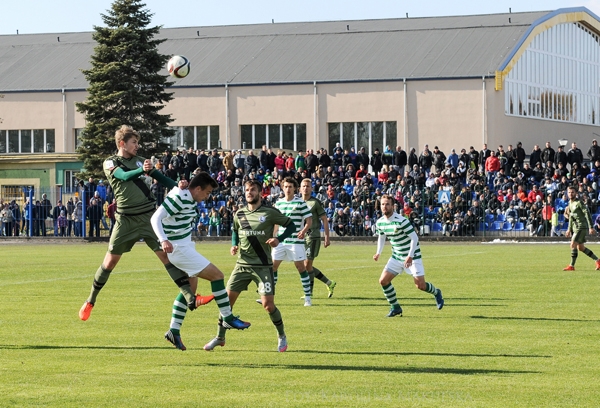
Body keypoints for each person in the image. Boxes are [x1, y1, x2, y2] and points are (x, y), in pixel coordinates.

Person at [79, 125, 204, 321]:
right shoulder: (110, 162)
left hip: (148, 217)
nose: (137, 146)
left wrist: (179, 187)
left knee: (166, 256)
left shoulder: (140, 161)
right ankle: (90, 301)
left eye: (137, 142)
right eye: (134, 142)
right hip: (125, 220)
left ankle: (191, 297)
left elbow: (161, 178)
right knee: (110, 262)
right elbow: (123, 176)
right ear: (122, 144)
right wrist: (141, 171)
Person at [150, 172, 250, 350]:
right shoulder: (180, 196)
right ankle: (227, 317)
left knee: (191, 288)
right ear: (197, 189)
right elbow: (155, 218)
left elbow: (172, 185)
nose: (208, 196)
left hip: (186, 246)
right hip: (179, 249)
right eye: (207, 192)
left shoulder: (185, 193)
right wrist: (163, 240)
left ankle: (174, 330)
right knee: (217, 276)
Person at [203, 180, 296, 352]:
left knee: (268, 305)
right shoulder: (239, 213)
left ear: (260, 193)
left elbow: (291, 225)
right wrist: (234, 244)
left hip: (263, 266)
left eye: (252, 190)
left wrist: (278, 239)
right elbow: (235, 230)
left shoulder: (270, 213)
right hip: (242, 265)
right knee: (226, 303)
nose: (249, 192)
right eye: (246, 190)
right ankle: (219, 337)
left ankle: (282, 336)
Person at [373, 195, 444, 317]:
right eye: (383, 204)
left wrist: (410, 256)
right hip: (397, 256)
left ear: (393, 206)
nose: (385, 206)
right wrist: (378, 252)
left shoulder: (401, 221)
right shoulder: (380, 222)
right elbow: (382, 237)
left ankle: (436, 292)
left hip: (413, 256)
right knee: (383, 281)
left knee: (420, 286)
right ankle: (395, 307)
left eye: (387, 204)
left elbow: (414, 238)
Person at [270, 177, 313, 305]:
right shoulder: (278, 203)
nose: (288, 189)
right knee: (272, 267)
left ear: (295, 188)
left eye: (290, 187)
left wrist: (303, 231)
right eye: (286, 186)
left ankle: (307, 297)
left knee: (300, 267)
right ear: (282, 188)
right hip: (280, 241)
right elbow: (275, 222)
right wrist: (273, 235)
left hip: (295, 241)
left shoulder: (300, 203)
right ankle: (269, 296)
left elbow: (309, 220)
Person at [299, 179, 336, 299]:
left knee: (307, 264)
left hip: (312, 236)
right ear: (300, 188)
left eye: (308, 186)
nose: (305, 188)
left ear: (311, 188)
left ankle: (308, 293)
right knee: (305, 266)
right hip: (301, 238)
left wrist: (326, 237)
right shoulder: (297, 202)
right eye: (303, 186)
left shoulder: (315, 203)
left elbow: (324, 219)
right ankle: (329, 283)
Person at [563, 186, 600, 271]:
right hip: (576, 228)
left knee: (572, 244)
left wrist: (590, 227)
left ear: (576, 193)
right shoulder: (570, 203)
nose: (570, 194)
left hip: (581, 227)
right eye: (569, 192)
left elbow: (587, 214)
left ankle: (571, 266)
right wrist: (569, 229)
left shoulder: (579, 203)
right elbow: (571, 218)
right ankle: (598, 261)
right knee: (581, 248)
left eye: (572, 192)